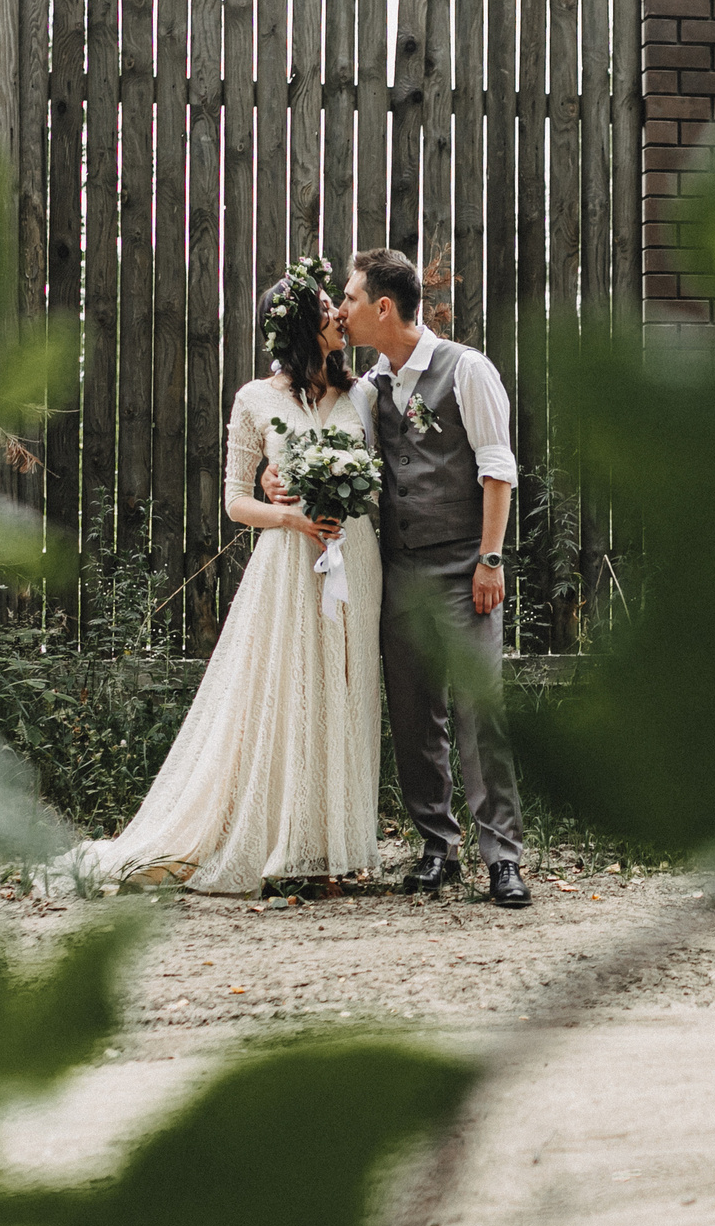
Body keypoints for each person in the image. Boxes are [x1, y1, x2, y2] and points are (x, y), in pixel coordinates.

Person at [55, 255, 383, 896]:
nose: (339, 315)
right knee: (292, 694)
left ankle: (335, 844)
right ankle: (289, 843)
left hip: (355, 558)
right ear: (296, 326)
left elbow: (382, 473)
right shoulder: (254, 400)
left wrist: (345, 503)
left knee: (345, 691)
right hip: (291, 564)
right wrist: (289, 518)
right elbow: (236, 501)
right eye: (325, 309)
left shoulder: (363, 394)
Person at [274, 247, 532, 909]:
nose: (344, 310)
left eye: (351, 300)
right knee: (416, 715)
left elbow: (498, 469)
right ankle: (436, 848)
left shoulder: (467, 370)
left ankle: (502, 855)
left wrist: (491, 558)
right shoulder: (370, 390)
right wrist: (276, 476)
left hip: (466, 565)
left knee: (480, 712)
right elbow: (322, 437)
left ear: (383, 307)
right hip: (402, 571)